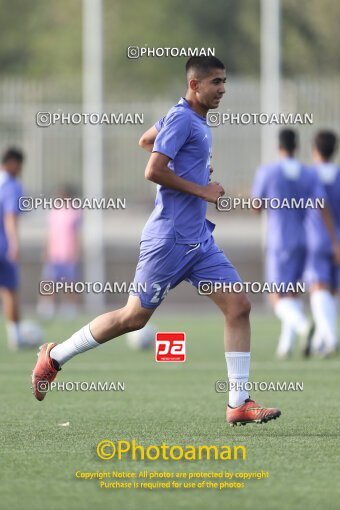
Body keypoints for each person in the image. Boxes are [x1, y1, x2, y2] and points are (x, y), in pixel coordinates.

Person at [32, 56, 281, 426]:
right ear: (195, 85)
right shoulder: (182, 118)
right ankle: (54, 357)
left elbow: (146, 139)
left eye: (225, 81)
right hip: (168, 240)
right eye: (216, 82)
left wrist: (190, 169)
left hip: (198, 241)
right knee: (132, 318)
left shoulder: (187, 118)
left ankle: (238, 402)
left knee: (239, 306)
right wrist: (201, 188)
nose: (223, 89)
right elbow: (153, 169)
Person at [252, 129, 339, 358]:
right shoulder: (308, 174)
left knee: (275, 295)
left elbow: (256, 206)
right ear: (297, 147)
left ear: (278, 146)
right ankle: (285, 346)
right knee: (293, 293)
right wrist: (333, 239)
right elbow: (322, 204)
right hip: (304, 238)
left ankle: (304, 326)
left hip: (279, 239)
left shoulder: (268, 172)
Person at [304, 131, 340, 356]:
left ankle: (330, 337)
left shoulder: (309, 175)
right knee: (332, 291)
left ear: (315, 150)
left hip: (317, 240)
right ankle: (321, 341)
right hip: (338, 241)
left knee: (318, 288)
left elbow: (319, 204)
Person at [37, 184, 81, 320]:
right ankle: (47, 308)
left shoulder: (74, 211)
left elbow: (77, 234)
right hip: (54, 253)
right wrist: (46, 249)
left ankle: (70, 308)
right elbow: (50, 233)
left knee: (69, 283)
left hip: (68, 253)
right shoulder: (54, 211)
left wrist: (77, 251)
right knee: (49, 281)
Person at [0, 148, 25, 349]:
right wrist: (14, 243)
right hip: (3, 247)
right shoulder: (11, 186)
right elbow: (10, 216)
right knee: (9, 291)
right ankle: (16, 337)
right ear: (13, 163)